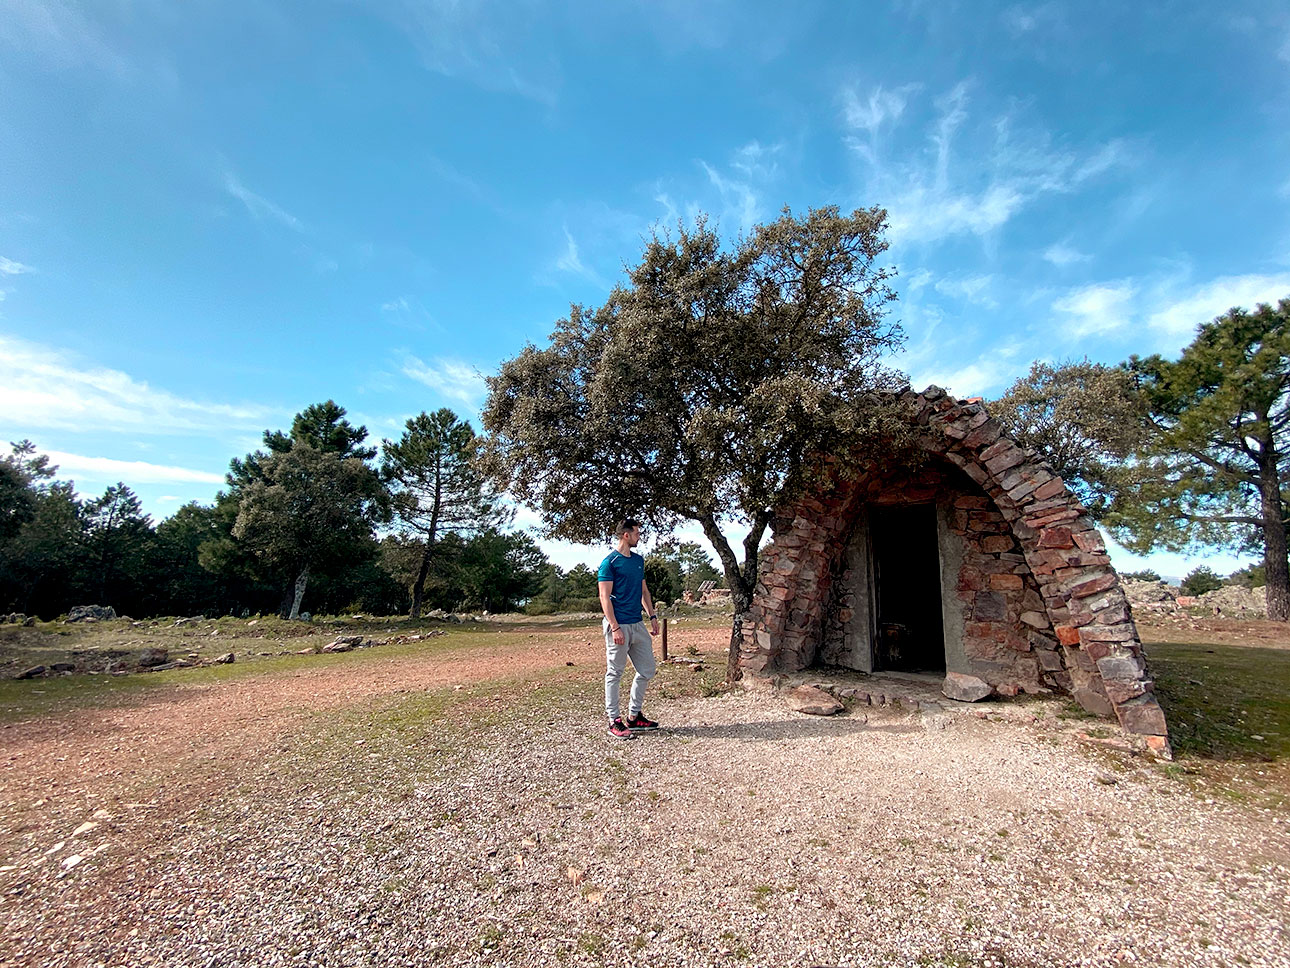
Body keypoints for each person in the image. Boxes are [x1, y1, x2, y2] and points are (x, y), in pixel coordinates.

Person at [597, 518, 660, 740]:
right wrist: (614, 627)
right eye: (637, 533)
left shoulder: (638, 560)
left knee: (647, 670)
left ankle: (634, 717)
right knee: (615, 672)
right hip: (619, 624)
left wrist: (652, 616)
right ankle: (614, 720)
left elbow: (644, 591)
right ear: (626, 535)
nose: (639, 536)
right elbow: (604, 597)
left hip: (637, 623)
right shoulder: (610, 563)